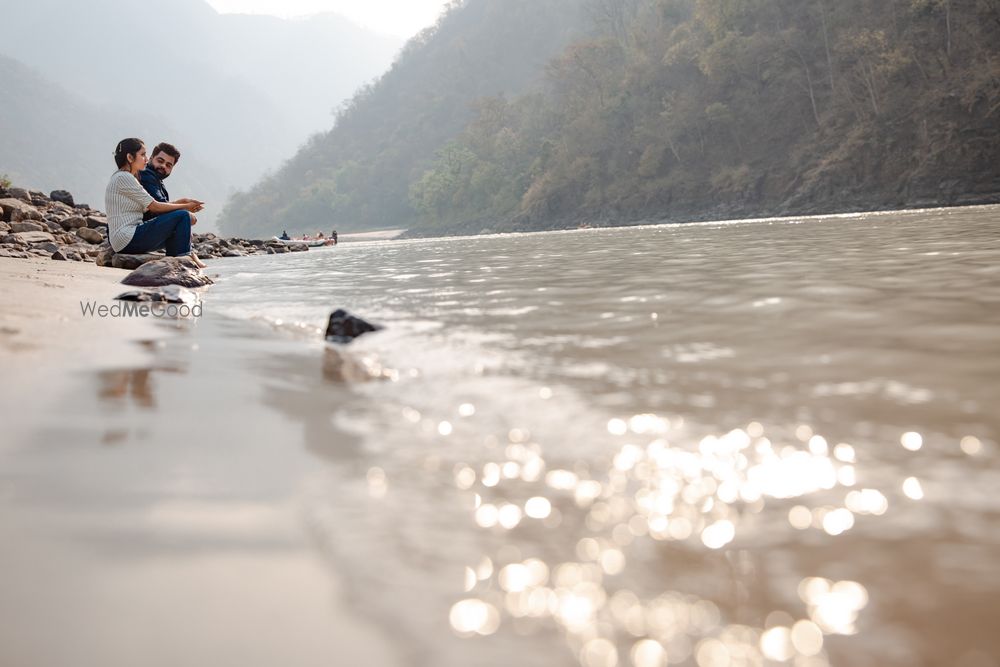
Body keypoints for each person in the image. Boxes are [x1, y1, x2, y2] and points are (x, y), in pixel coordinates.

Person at [105, 138, 206, 267]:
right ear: (130, 157)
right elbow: (155, 207)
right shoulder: (124, 177)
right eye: (142, 155)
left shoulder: (128, 177)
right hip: (126, 238)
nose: (145, 159)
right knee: (183, 216)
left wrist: (182, 203)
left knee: (180, 222)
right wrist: (186, 207)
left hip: (127, 238)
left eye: (169, 165)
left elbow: (150, 207)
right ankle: (183, 259)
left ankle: (178, 259)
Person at [138, 142, 200, 224]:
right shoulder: (145, 174)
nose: (163, 166)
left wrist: (182, 201)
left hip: (148, 226)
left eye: (168, 165)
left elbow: (162, 205)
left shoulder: (158, 180)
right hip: (137, 229)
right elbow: (159, 207)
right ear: (151, 158)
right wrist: (185, 207)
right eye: (160, 161)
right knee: (187, 217)